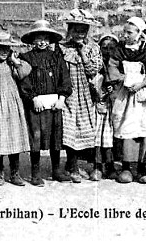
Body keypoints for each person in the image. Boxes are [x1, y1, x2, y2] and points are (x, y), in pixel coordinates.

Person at [106, 17, 146, 184]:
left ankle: (143, 168)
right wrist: (124, 80)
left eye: (130, 32)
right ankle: (127, 167)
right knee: (126, 126)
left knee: (143, 128)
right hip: (125, 92)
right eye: (125, 32)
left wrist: (141, 83)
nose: (126, 35)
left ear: (139, 33)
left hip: (142, 95)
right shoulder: (119, 50)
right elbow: (112, 68)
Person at [19, 20, 71, 186]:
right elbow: (24, 81)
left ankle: (56, 170)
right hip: (37, 104)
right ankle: (35, 173)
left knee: (55, 136)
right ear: (32, 40)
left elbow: (65, 79)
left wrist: (62, 98)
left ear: (50, 40)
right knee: (36, 136)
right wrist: (33, 98)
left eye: (45, 38)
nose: (42, 42)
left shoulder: (57, 58)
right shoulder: (26, 58)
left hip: (54, 103)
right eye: (38, 38)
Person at [58, 10, 103, 182]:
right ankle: (71, 165)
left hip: (86, 93)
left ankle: (84, 165)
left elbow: (93, 70)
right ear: (70, 30)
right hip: (69, 93)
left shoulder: (93, 48)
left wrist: (83, 52)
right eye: (76, 30)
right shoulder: (61, 48)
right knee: (69, 129)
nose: (80, 34)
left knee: (85, 128)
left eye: (83, 31)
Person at [0, 31, 31, 186]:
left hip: (12, 104)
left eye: (7, 48)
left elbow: (24, 72)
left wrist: (15, 61)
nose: (3, 52)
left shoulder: (10, 64)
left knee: (14, 137)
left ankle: (15, 172)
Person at [92, 34, 118, 181]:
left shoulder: (117, 64)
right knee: (97, 136)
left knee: (109, 137)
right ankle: (97, 166)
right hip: (98, 103)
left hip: (112, 104)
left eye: (111, 48)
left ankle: (110, 165)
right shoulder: (96, 64)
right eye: (104, 48)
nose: (108, 51)